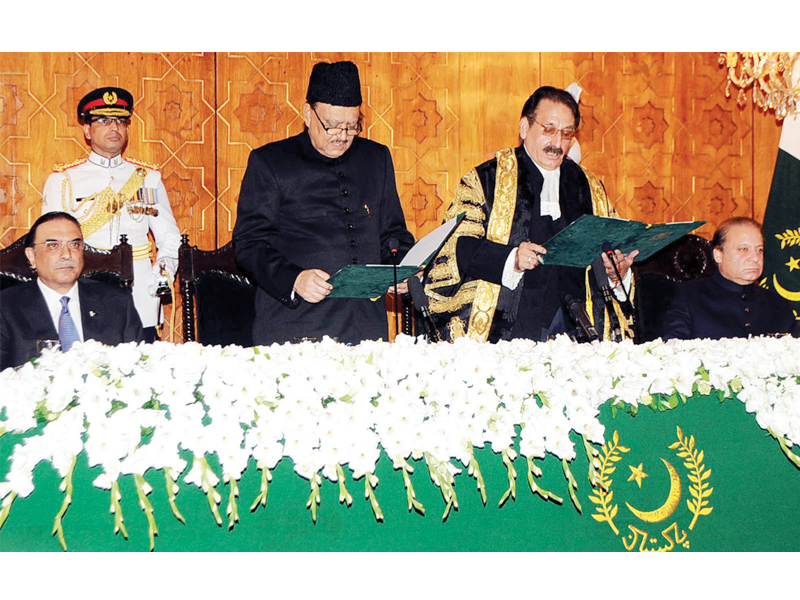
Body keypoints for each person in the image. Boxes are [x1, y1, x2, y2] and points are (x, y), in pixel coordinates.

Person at [425, 86, 637, 343]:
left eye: (567, 133)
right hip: (507, 325)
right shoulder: (486, 180)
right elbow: (458, 245)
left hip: (577, 326)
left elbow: (611, 247)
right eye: (548, 130)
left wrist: (617, 271)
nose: (558, 143)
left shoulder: (589, 187)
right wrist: (511, 258)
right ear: (525, 127)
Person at [232, 61, 415, 345]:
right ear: (308, 113)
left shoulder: (376, 159)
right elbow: (249, 244)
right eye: (331, 126)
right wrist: (294, 279)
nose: (342, 136)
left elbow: (393, 235)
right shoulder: (270, 162)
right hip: (296, 326)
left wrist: (399, 268)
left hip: (366, 327)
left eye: (352, 126)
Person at [41, 87, 181, 343]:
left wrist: (162, 273)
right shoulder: (63, 180)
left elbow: (170, 238)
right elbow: (48, 242)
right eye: (104, 120)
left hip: (140, 293)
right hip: (83, 289)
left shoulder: (148, 179)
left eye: (121, 121)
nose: (114, 127)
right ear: (87, 130)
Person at [0, 212, 144, 371]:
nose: (67, 254)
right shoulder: (5, 308)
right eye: (53, 245)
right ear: (32, 256)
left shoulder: (118, 302)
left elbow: (139, 369)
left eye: (75, 245)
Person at [661, 217, 796, 340]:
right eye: (743, 249)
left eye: (759, 250)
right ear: (718, 255)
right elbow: (673, 354)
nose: (755, 258)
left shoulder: (779, 305)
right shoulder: (688, 297)